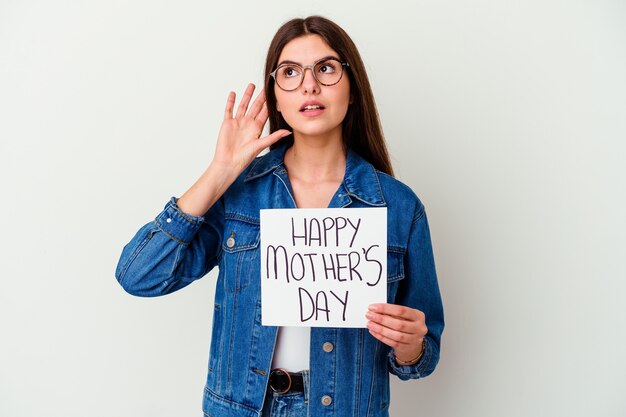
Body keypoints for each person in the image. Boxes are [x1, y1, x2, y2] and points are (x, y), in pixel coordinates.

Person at [115, 15, 444, 417]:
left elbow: (425, 354)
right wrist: (220, 172)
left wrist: (411, 348)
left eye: (325, 68)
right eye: (290, 72)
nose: (310, 84)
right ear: (276, 95)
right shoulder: (238, 196)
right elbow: (139, 277)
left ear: (353, 87)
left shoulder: (400, 207)